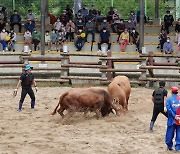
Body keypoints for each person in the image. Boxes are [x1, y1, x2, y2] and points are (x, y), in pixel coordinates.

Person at [165, 86, 180, 151]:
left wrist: (174, 116)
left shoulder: (169, 100)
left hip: (172, 119)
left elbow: (168, 109)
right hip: (179, 120)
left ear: (171, 92)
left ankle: (169, 146)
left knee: (169, 133)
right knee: (179, 133)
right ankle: (178, 147)